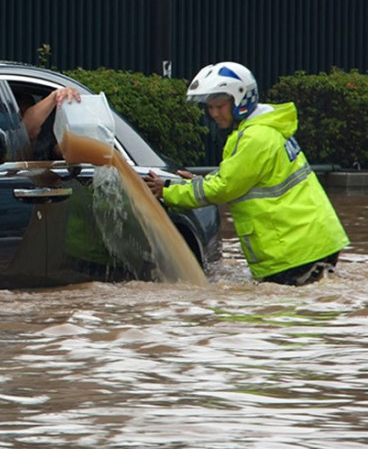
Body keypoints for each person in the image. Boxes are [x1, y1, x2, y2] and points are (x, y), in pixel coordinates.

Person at [145, 61, 349, 286]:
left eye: (219, 106)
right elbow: (239, 177)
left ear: (241, 100)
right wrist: (199, 182)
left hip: (295, 251)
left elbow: (225, 188)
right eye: (209, 107)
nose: (213, 113)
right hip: (310, 243)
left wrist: (167, 192)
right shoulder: (263, 130)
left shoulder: (254, 138)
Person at [19, 86, 82, 159]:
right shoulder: (14, 136)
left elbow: (59, 151)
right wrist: (54, 97)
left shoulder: (50, 125)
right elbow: (27, 130)